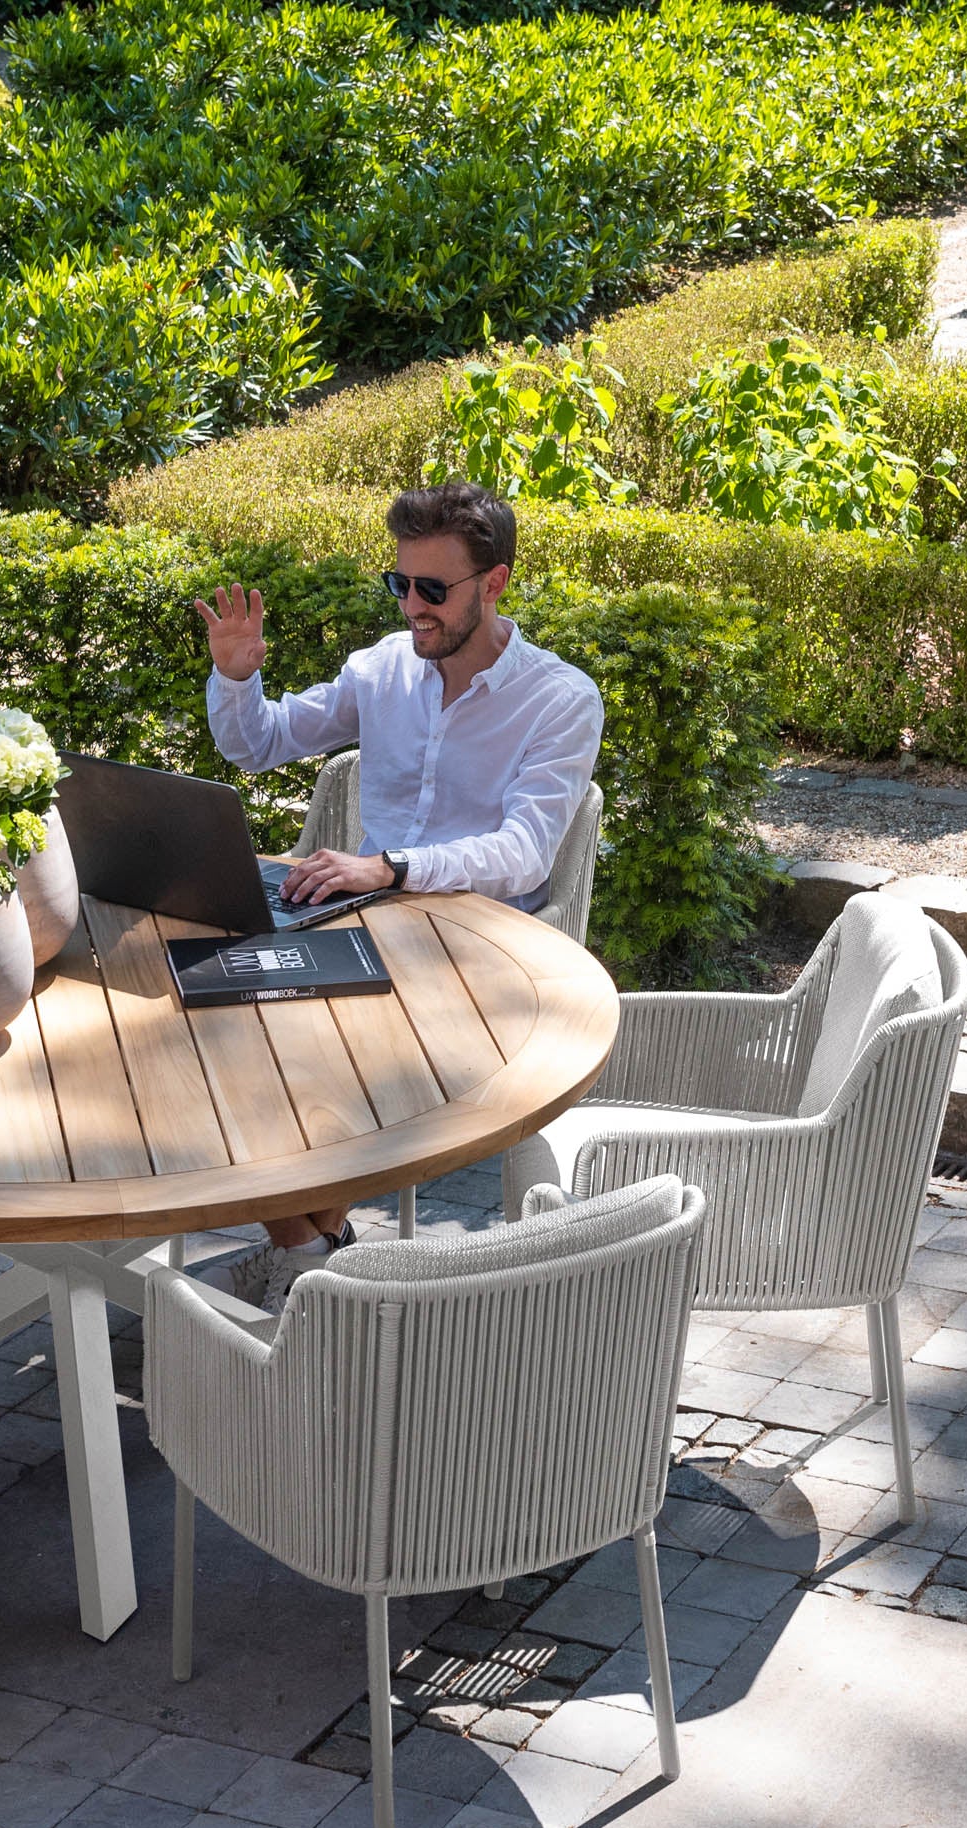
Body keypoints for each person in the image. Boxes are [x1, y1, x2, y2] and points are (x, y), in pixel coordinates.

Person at [194, 479, 604, 1310]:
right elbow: (260, 745)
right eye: (400, 584)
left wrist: (391, 868)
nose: (412, 607)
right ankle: (313, 1258)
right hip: (365, 923)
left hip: (480, 950)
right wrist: (237, 680)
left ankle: (302, 1265)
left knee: (308, 1050)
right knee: (220, 1018)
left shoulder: (559, 700)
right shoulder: (382, 668)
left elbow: (524, 855)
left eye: (432, 590)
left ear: (494, 585)